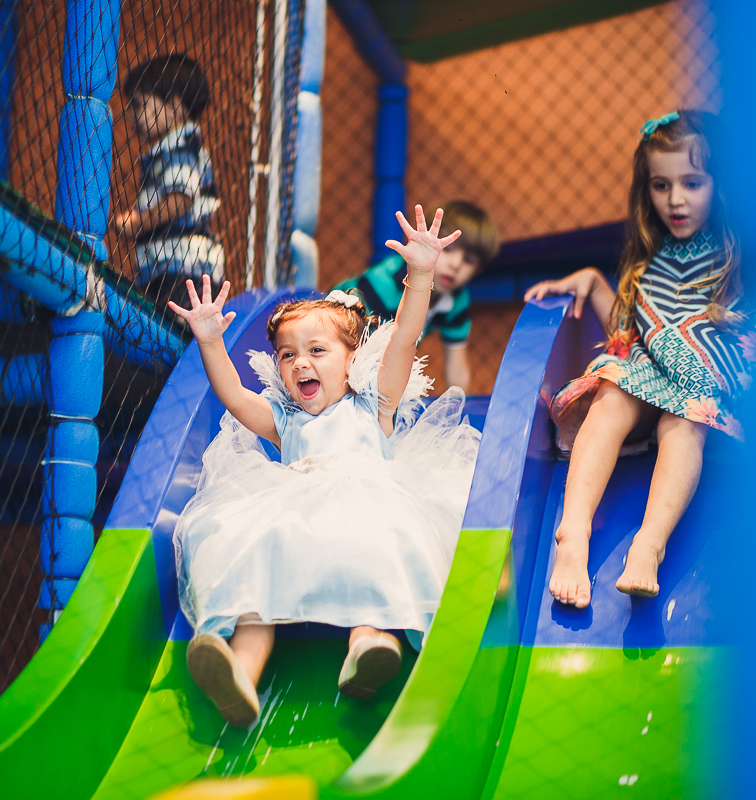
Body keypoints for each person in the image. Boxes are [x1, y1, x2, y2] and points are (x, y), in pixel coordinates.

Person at [167, 206, 482, 727]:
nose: (300, 363)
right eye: (287, 356)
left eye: (316, 350)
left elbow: (403, 336)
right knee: (255, 560)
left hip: (367, 503)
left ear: (351, 359)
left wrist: (421, 273)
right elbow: (232, 396)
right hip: (294, 511)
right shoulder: (285, 419)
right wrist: (209, 341)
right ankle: (240, 676)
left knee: (379, 544)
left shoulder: (372, 402)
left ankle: (370, 648)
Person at [525, 110, 756, 609]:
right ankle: (573, 533)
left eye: (692, 183)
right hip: (646, 370)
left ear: (720, 183)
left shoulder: (737, 253)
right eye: (661, 185)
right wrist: (591, 282)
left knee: (686, 419)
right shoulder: (649, 259)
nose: (676, 199)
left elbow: (752, 330)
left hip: (698, 383)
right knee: (612, 395)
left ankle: (649, 543)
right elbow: (630, 330)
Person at [333, 200, 499, 392]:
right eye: (447, 249)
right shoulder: (386, 282)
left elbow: (457, 370)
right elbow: (349, 343)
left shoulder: (456, 300)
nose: (456, 264)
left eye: (469, 260)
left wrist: (458, 408)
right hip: (338, 336)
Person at [115, 54, 224, 314]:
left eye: (139, 104)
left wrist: (137, 223)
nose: (131, 116)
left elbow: (179, 200)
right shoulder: (169, 149)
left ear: (175, 105)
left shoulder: (180, 147)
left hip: (184, 274)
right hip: (168, 270)